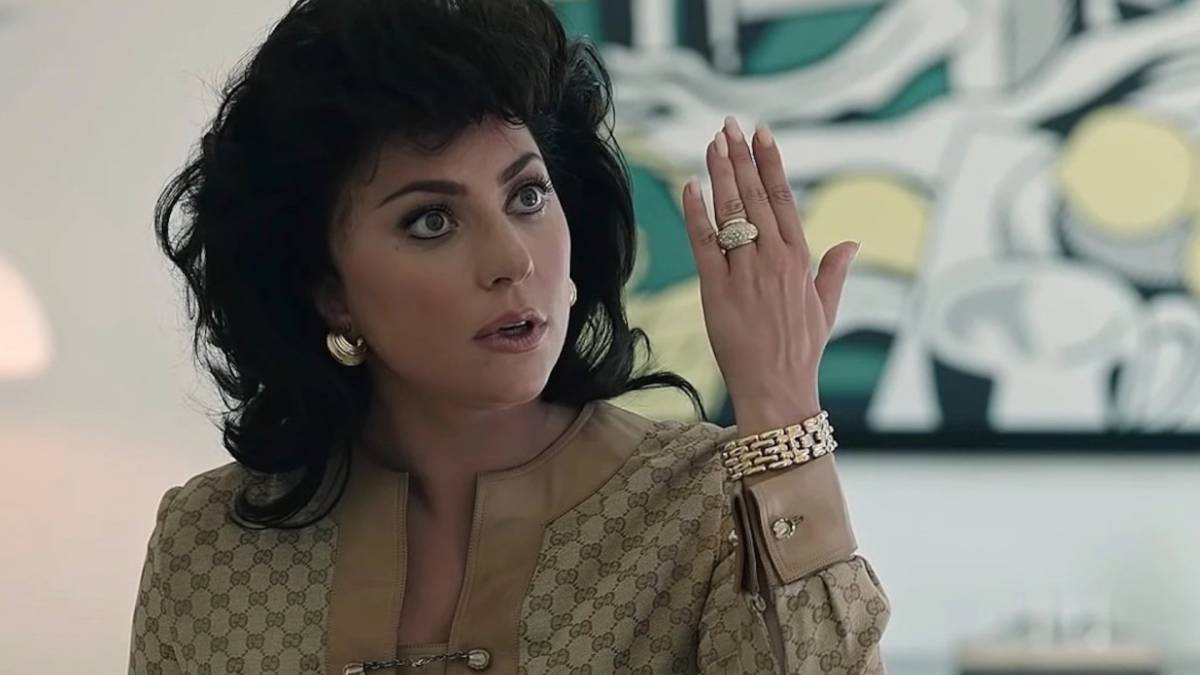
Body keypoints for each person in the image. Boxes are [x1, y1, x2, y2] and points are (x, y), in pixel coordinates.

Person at [128, 0, 889, 673]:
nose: (512, 260)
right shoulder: (208, 548)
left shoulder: (709, 510)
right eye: (432, 220)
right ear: (330, 293)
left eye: (526, 195)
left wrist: (782, 407)